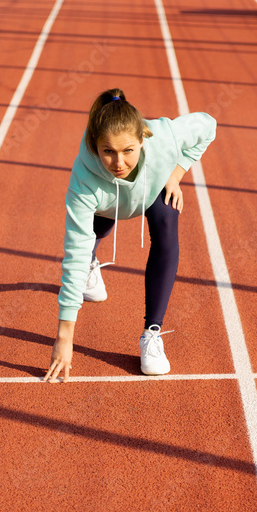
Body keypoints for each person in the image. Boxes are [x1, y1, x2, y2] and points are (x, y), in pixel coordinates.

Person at [44, 88, 216, 383]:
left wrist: (176, 174)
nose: (119, 163)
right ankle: (92, 264)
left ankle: (152, 333)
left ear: (142, 139)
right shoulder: (83, 180)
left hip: (152, 192)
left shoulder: (164, 136)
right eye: (107, 151)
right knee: (88, 243)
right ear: (94, 145)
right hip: (108, 205)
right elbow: (74, 249)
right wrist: (64, 336)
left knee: (167, 216)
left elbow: (208, 124)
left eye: (128, 151)